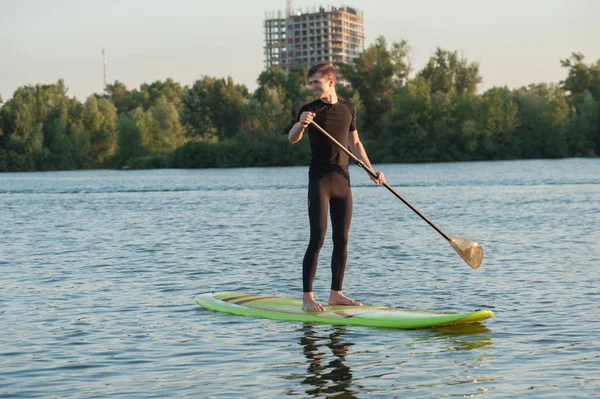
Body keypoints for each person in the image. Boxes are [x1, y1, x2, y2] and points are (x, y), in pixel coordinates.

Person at [288, 64, 386, 312]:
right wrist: (301, 124)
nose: (313, 87)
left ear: (331, 82)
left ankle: (336, 294)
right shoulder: (309, 110)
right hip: (320, 180)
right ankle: (308, 297)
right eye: (311, 83)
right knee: (317, 239)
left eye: (316, 83)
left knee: (341, 239)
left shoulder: (348, 109)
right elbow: (292, 138)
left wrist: (371, 171)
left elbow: (355, 143)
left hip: (343, 181)